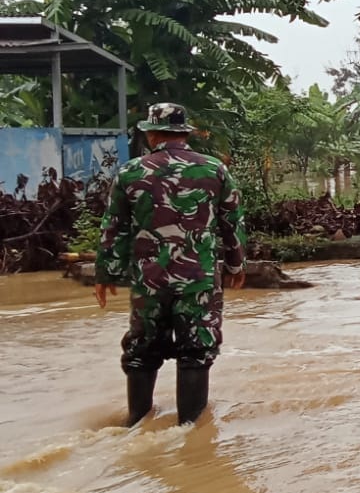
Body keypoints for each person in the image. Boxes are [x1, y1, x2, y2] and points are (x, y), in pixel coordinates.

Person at [93, 102, 247, 427]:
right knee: (196, 351)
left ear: (151, 135)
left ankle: (136, 421)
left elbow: (114, 227)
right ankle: (189, 432)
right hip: (198, 280)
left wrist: (105, 273)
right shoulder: (214, 170)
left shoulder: (130, 172)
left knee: (142, 351)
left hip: (149, 280)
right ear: (185, 133)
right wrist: (236, 264)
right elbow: (231, 223)